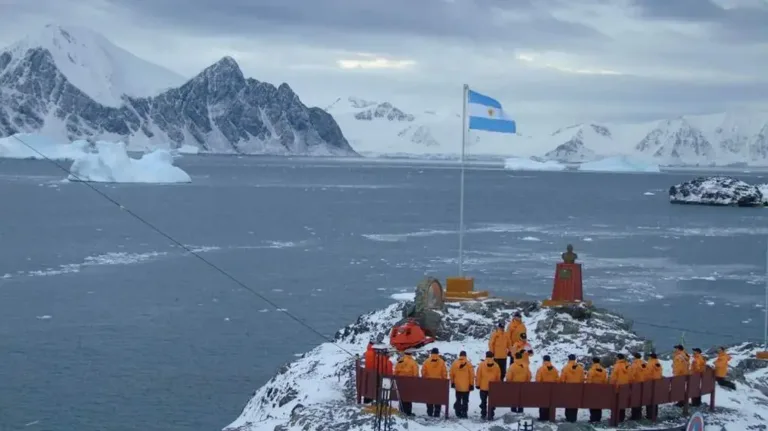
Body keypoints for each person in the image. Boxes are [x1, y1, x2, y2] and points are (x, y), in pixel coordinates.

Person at [421, 347, 447, 417]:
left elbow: (423, 372)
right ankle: (437, 413)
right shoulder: (441, 362)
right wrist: (444, 381)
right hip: (438, 384)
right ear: (438, 353)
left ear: (431, 353)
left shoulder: (426, 361)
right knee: (438, 398)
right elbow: (444, 373)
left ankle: (430, 412)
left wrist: (425, 379)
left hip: (429, 383)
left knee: (429, 398)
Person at [476, 351, 501, 420]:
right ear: (492, 356)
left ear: (486, 356)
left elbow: (478, 375)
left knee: (483, 401)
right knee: (492, 401)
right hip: (492, 387)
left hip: (483, 387)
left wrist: (478, 384)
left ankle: (483, 414)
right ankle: (491, 414)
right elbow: (498, 376)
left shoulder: (481, 365)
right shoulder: (496, 365)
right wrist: (497, 384)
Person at [560, 354, 585, 422]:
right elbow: (582, 379)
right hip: (577, 389)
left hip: (568, 388)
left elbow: (562, 379)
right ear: (575, 359)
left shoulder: (566, 368)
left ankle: (568, 417)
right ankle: (573, 418)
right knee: (575, 403)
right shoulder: (580, 368)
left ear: (569, 359)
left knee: (568, 403)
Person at [449, 351, 474, 418]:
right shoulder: (469, 364)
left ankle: (458, 412)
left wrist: (452, 382)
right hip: (466, 386)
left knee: (458, 399)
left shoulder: (454, 363)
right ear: (465, 355)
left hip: (458, 386)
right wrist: (471, 384)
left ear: (459, 355)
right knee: (465, 400)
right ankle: (464, 413)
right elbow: (472, 375)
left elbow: (451, 374)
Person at [393, 351, 419, 416]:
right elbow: (416, 374)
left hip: (400, 382)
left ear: (404, 354)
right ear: (411, 354)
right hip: (409, 383)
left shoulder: (400, 361)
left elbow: (395, 372)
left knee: (401, 397)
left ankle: (401, 411)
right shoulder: (413, 362)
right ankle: (408, 412)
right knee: (408, 398)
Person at [535, 354, 559, 421]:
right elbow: (557, 379)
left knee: (542, 403)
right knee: (550, 403)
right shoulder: (555, 370)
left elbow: (538, 380)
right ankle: (549, 417)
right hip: (552, 390)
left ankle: (542, 417)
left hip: (543, 390)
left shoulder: (541, 369)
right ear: (549, 360)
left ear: (543, 360)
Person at [585, 357, 607, 423]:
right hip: (600, 389)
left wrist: (588, 388)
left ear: (593, 362)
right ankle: (598, 418)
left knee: (592, 403)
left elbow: (589, 380)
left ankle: (593, 418)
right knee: (599, 404)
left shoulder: (592, 370)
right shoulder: (603, 370)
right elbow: (605, 380)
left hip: (593, 389)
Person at [609, 353, 631, 421]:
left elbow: (613, 377)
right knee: (622, 402)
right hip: (626, 386)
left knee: (616, 403)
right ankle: (622, 418)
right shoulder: (628, 365)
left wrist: (611, 385)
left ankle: (616, 418)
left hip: (618, 387)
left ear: (618, 358)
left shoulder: (617, 366)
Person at [628, 352, 647, 420]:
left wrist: (630, 383)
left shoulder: (634, 365)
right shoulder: (644, 364)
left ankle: (635, 416)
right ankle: (639, 414)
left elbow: (631, 376)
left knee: (635, 400)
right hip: (643, 384)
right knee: (640, 399)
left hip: (635, 384)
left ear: (635, 357)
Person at [645, 352, 663, 419]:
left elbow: (648, 374)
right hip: (657, 383)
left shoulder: (650, 363)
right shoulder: (658, 363)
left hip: (650, 383)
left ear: (651, 357)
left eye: (649, 356)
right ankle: (655, 414)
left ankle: (649, 415)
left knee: (649, 399)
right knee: (655, 399)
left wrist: (645, 381)